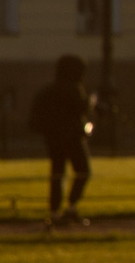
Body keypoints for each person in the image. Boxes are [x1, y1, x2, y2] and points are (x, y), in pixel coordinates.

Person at [28, 54, 93, 225]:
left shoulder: (48, 91)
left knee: (57, 174)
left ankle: (55, 212)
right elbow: (81, 109)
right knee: (83, 171)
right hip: (73, 139)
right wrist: (90, 103)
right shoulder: (74, 89)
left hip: (54, 139)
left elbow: (35, 117)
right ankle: (71, 207)